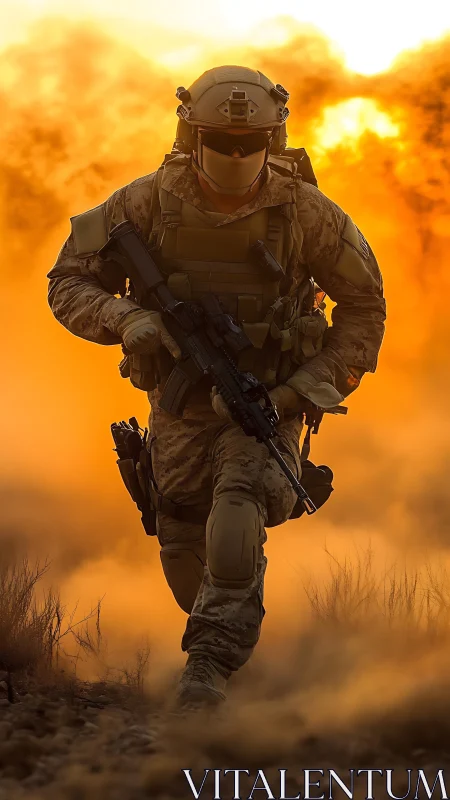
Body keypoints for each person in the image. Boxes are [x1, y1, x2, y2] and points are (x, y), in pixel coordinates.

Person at [47, 65, 386, 707]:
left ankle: (206, 670)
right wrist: (130, 319)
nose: (236, 156)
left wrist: (302, 391)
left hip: (269, 398)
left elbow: (365, 309)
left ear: (274, 140)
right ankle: (242, 652)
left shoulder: (307, 214)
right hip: (180, 401)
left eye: (250, 144)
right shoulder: (143, 203)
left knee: (237, 509)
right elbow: (65, 282)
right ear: (190, 134)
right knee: (180, 532)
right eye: (222, 144)